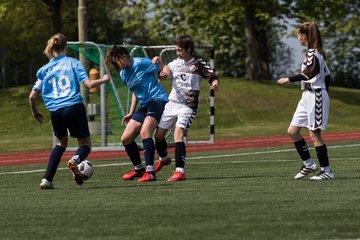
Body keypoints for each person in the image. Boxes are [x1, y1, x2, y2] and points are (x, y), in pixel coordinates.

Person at [29, 33, 110, 189]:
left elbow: (32, 97)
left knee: (60, 143)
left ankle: (47, 179)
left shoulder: (43, 70)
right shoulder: (73, 63)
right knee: (85, 144)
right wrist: (104, 79)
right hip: (73, 106)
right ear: (66, 47)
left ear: (51, 48)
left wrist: (35, 112)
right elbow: (89, 84)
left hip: (55, 111)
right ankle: (75, 160)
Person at [152, 35, 219, 182]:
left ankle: (180, 171)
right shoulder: (175, 63)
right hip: (172, 104)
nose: (177, 53)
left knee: (178, 135)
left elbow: (212, 76)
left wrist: (214, 83)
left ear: (189, 49)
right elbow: (165, 72)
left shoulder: (198, 63)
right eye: (176, 50)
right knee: (158, 136)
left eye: (180, 50)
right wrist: (162, 67)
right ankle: (163, 158)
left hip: (188, 106)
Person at [277, 22, 334, 180]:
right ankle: (309, 164)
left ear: (305, 36)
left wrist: (288, 79)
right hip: (306, 96)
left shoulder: (315, 53)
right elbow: (327, 74)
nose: (297, 38)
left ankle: (327, 171)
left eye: (298, 35)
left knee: (314, 134)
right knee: (292, 131)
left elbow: (309, 74)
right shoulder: (311, 53)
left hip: (315, 96)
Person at [104, 45, 168, 182]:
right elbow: (136, 91)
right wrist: (131, 112)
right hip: (144, 105)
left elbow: (161, 69)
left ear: (125, 56)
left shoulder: (141, 63)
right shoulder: (123, 73)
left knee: (145, 132)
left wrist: (158, 61)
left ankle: (150, 172)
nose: (117, 66)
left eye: (117, 62)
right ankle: (139, 169)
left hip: (157, 100)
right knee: (126, 138)